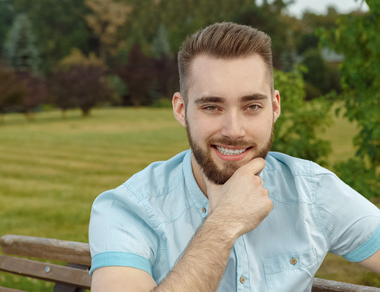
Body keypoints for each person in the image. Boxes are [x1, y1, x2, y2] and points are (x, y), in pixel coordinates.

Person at [88, 22, 380, 291]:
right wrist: (225, 222)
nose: (234, 130)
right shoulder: (127, 210)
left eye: (252, 106)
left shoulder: (313, 191)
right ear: (181, 109)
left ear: (275, 107)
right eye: (211, 107)